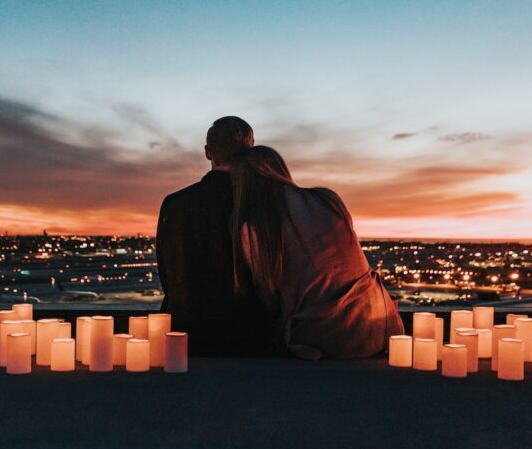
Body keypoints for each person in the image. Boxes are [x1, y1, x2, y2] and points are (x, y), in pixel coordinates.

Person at [231, 145, 403, 359]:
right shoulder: (328, 199)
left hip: (328, 338)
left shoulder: (257, 228)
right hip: (382, 326)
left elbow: (269, 296)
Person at [156, 116, 272, 355]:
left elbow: (168, 275)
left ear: (208, 153)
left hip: (184, 334)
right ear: (250, 150)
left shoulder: (173, 204)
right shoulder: (259, 203)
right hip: (246, 337)